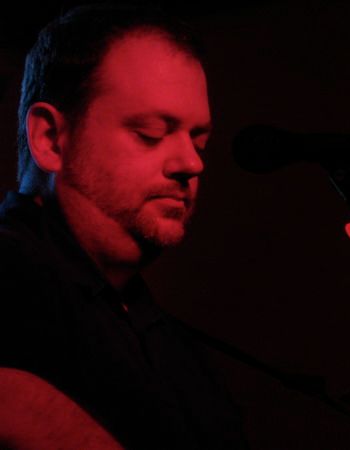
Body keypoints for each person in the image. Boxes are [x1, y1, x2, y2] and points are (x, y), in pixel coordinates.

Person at [0, 4, 248, 449]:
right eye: (151, 133)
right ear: (50, 139)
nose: (191, 163)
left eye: (199, 141)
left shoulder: (165, 338)